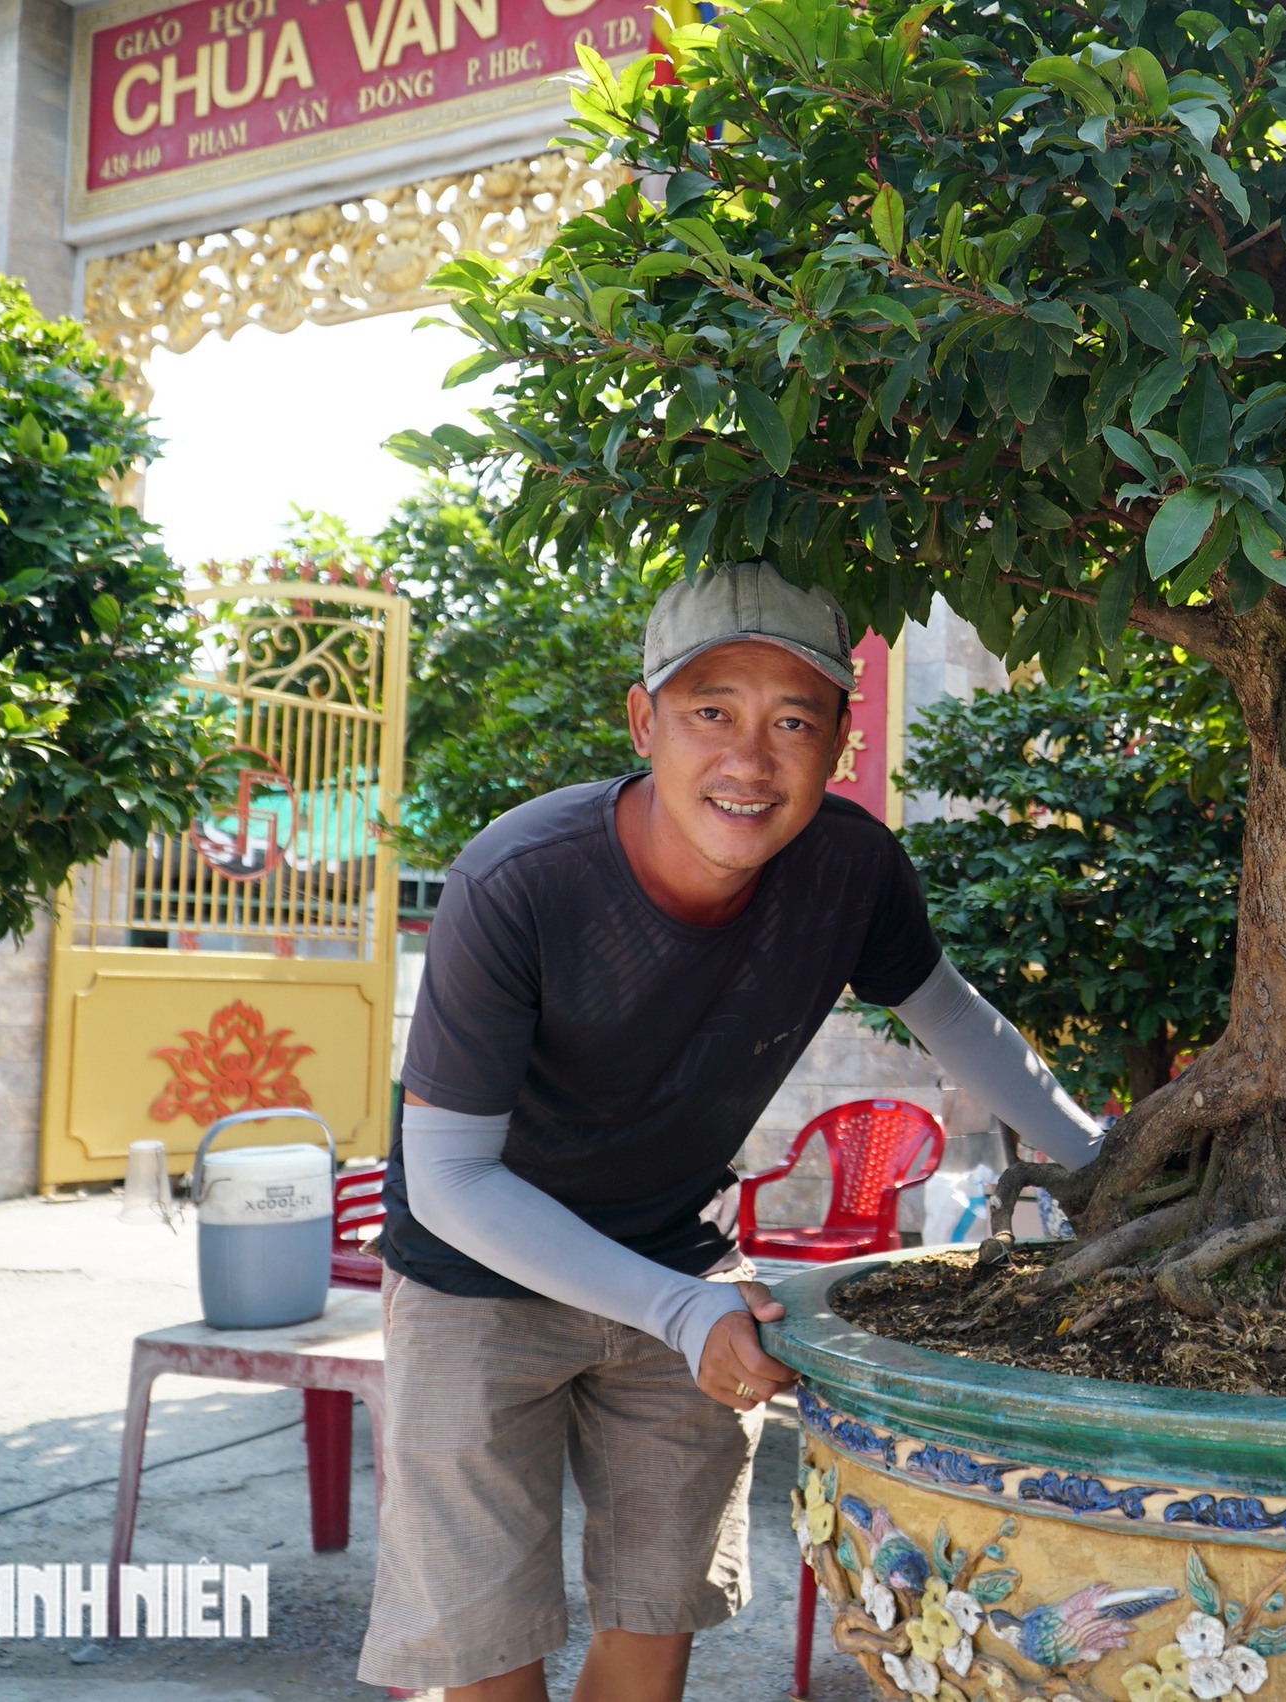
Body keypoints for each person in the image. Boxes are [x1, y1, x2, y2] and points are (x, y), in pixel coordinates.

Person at [356, 563, 1103, 1701]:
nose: (750, 759)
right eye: (712, 711)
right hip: (480, 1280)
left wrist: (1103, 1161)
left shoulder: (848, 869)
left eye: (792, 719)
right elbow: (450, 1173)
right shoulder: (520, 880)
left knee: (654, 1632)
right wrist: (681, 1306)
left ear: (841, 741)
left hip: (675, 1259)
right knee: (483, 1661)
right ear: (643, 720)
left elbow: (956, 1018)